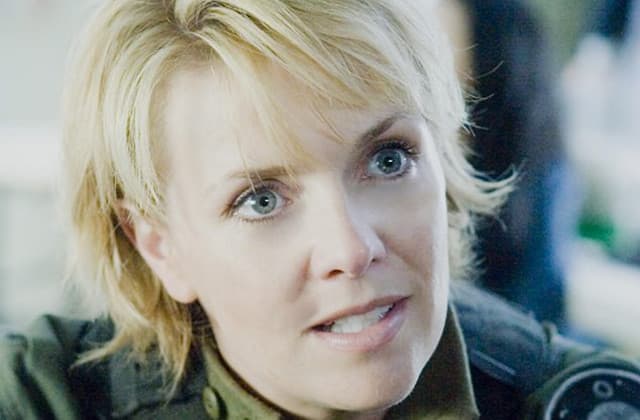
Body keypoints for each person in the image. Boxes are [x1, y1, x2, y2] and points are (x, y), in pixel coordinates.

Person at [1, 1, 639, 419]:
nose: (351, 249)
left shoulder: (580, 402)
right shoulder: (40, 399)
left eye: (388, 160)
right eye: (261, 200)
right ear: (159, 246)